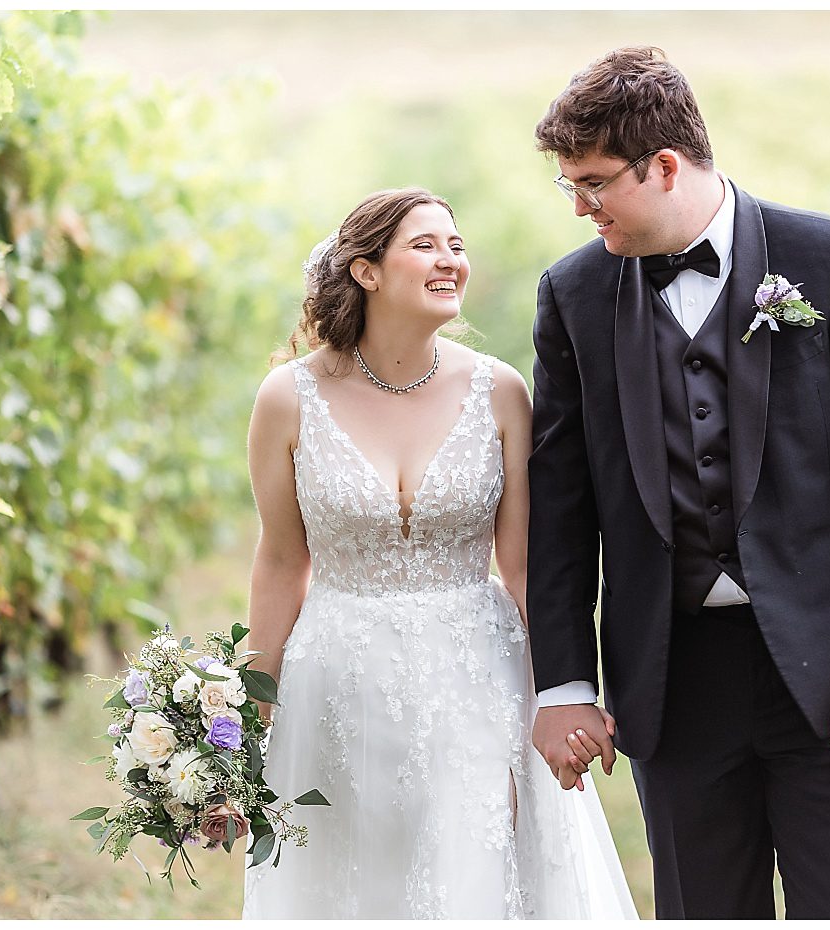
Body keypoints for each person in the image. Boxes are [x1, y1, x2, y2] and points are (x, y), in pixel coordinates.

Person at [526, 47, 830, 919]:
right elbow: (560, 504)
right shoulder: (573, 293)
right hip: (671, 681)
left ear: (665, 166)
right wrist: (565, 685)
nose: (579, 206)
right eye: (569, 187)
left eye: (593, 183)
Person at [240, 188, 636, 919]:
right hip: (334, 682)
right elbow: (281, 562)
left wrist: (560, 692)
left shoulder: (501, 393)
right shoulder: (287, 398)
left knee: (470, 875)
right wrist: (243, 723)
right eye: (425, 245)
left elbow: (523, 570)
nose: (450, 259)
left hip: (476, 678)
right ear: (365, 270)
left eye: (456, 245)